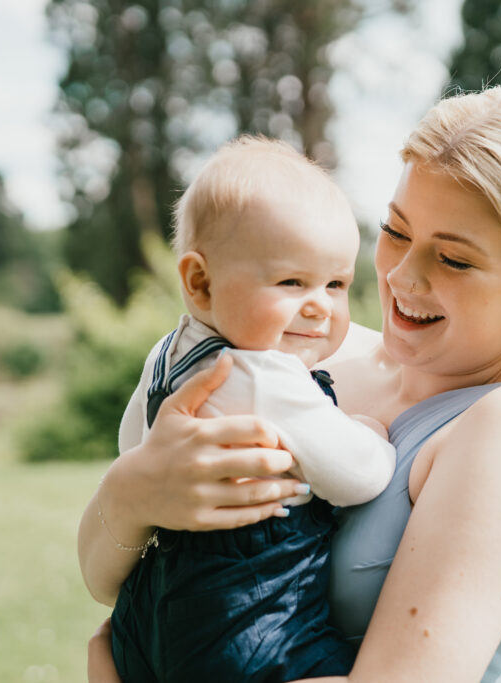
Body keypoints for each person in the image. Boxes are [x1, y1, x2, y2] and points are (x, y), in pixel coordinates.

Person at [80, 83, 501, 682]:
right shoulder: (302, 366)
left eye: (454, 259)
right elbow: (104, 581)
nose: (401, 275)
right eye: (395, 231)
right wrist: (134, 489)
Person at [103, 136, 396, 683]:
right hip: (251, 620)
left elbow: (135, 450)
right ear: (201, 282)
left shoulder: (168, 355)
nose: (319, 304)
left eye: (336, 284)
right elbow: (359, 476)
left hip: (150, 616)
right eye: (291, 281)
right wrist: (368, 430)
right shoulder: (265, 374)